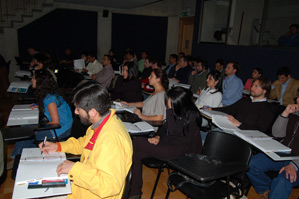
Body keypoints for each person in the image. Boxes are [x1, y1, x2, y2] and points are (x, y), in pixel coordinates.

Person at [39, 82, 133, 199]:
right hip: (86, 185)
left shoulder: (110, 140)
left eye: (79, 109)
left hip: (96, 194)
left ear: (93, 112)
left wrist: (75, 169)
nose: (76, 112)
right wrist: (58, 146)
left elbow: (110, 186)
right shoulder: (101, 123)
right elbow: (84, 143)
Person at [128, 86, 202, 199]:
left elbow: (172, 131)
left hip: (181, 152)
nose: (168, 105)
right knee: (137, 154)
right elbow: (164, 129)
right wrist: (157, 137)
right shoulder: (177, 111)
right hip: (167, 145)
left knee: (137, 142)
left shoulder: (191, 116)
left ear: (180, 102)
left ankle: (120, 173)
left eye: (170, 102)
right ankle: (135, 193)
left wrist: (169, 110)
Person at [10, 69, 73, 159]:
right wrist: (39, 105)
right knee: (27, 128)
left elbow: (56, 122)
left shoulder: (49, 99)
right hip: (65, 127)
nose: (32, 80)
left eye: (34, 78)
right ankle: (21, 157)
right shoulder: (50, 94)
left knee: (26, 134)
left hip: (60, 131)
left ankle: (16, 158)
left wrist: (37, 128)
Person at [247, 95, 299, 199]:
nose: (297, 100)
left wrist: (294, 165)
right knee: (251, 164)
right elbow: (277, 133)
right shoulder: (294, 114)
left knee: (282, 180)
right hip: (283, 153)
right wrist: (285, 113)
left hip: (297, 160)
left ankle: (276, 191)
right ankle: (265, 189)